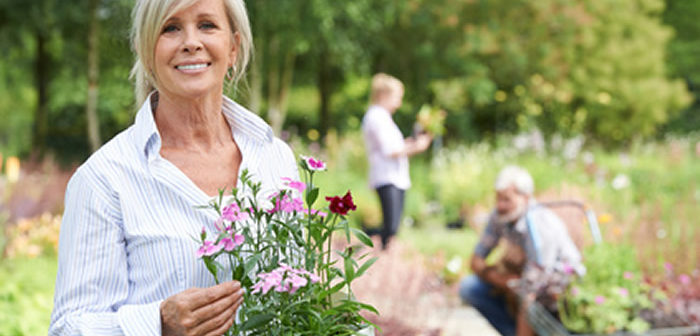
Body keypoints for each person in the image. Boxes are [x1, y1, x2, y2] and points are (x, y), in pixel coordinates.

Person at [49, 0, 298, 335]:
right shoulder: (104, 180)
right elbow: (68, 328)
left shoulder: (275, 157)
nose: (191, 42)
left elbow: (300, 292)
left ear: (234, 47)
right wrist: (158, 324)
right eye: (170, 28)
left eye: (207, 25)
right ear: (145, 52)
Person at [458, 166, 584, 336]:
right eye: (498, 198)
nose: (500, 205)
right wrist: (502, 279)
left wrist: (513, 282)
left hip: (557, 287)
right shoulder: (500, 216)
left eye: (506, 199)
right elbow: (476, 261)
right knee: (470, 287)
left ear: (525, 198)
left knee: (528, 298)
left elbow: (532, 289)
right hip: (525, 282)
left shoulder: (540, 224)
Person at [361, 73, 432, 249]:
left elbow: (396, 145)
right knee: (391, 227)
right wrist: (418, 147)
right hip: (386, 176)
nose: (399, 102)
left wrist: (414, 142)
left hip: (394, 176)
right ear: (384, 95)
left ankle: (375, 246)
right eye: (397, 97)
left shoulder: (383, 117)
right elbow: (391, 150)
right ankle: (363, 236)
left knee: (392, 226)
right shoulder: (376, 117)